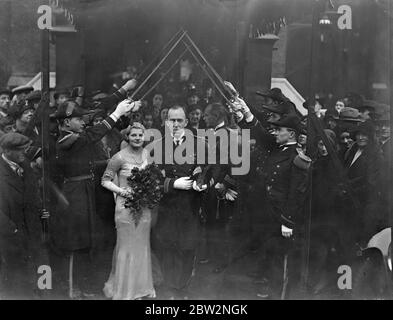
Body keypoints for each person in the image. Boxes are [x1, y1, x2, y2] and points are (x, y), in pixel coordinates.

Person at [51, 97, 142, 298]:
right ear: (66, 122)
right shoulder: (66, 139)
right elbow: (92, 135)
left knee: (85, 242)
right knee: (76, 242)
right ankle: (72, 288)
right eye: (79, 118)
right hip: (75, 194)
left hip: (84, 191)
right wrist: (117, 113)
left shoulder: (74, 137)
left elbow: (90, 163)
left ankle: (82, 287)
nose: (83, 121)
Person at [230, 95, 310, 299]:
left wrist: (288, 222)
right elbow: (261, 132)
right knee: (271, 258)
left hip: (281, 218)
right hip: (268, 214)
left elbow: (296, 193)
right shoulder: (277, 147)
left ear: (290, 133)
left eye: (280, 129)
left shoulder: (297, 158)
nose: (275, 132)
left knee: (280, 263)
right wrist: (245, 112)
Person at [152, 105, 213, 299]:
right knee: (167, 246)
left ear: (186, 122)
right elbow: (150, 179)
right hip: (168, 205)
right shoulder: (157, 146)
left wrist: (202, 185)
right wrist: (172, 183)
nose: (176, 124)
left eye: (179, 120)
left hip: (190, 206)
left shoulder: (200, 144)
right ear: (165, 122)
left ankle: (183, 288)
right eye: (172, 120)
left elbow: (209, 171)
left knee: (188, 247)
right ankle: (170, 289)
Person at [101, 122, 156, 300]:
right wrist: (123, 192)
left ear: (144, 137)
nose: (138, 138)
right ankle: (126, 291)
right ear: (127, 137)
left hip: (144, 206)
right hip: (125, 207)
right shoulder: (118, 157)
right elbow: (105, 181)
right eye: (134, 135)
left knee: (142, 246)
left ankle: (141, 288)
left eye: (140, 135)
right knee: (126, 247)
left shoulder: (147, 154)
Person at [0, 133, 48, 298]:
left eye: (26, 149)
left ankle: (44, 294)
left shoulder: (24, 164)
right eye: (20, 150)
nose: (24, 153)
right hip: (12, 235)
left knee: (42, 265)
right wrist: (12, 230)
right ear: (6, 150)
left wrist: (40, 210)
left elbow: (33, 193)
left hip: (33, 227)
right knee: (17, 274)